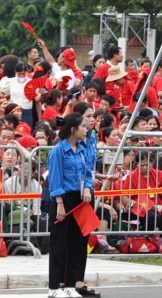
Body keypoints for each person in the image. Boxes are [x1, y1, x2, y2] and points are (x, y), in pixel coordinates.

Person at [46, 112, 94, 298]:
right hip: (63, 199)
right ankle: (53, 287)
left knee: (76, 243)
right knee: (59, 245)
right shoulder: (58, 150)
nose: (86, 129)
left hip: (79, 199)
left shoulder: (82, 148)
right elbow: (55, 178)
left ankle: (69, 284)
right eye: (83, 126)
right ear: (73, 129)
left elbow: (87, 171)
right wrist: (59, 203)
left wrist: (88, 188)